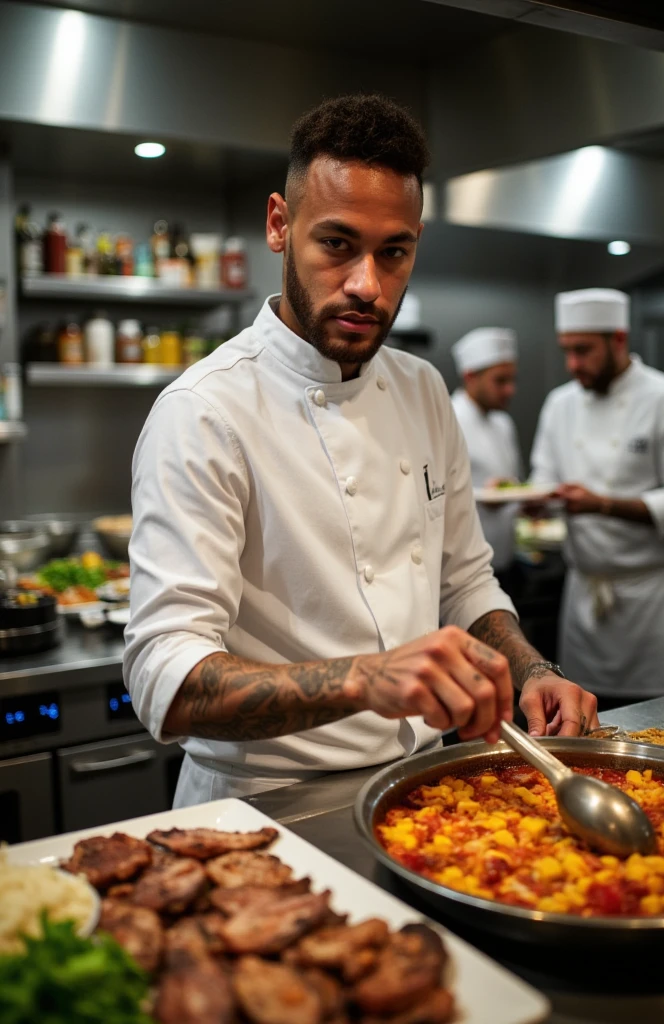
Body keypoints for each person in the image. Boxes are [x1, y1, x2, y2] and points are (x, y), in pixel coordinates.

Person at [124, 95, 598, 809]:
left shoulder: (422, 389)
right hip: (263, 804)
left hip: (423, 789)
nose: (366, 286)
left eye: (394, 253)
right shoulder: (204, 412)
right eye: (337, 244)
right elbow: (164, 675)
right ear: (280, 225)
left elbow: (465, 581)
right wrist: (365, 679)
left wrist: (532, 671)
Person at [531, 287, 664, 706]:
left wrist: (601, 504)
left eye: (583, 350)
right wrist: (535, 498)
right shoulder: (559, 404)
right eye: (567, 350)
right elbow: (544, 476)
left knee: (661, 722)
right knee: (582, 717)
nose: (573, 365)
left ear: (618, 339)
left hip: (653, 601)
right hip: (584, 597)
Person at [451, 328, 522, 591]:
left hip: (506, 560)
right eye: (500, 381)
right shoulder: (448, 418)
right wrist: (482, 497)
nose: (510, 390)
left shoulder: (503, 423)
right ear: (470, 376)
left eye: (512, 380)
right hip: (464, 571)